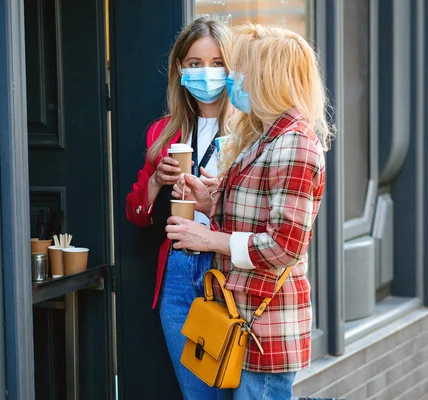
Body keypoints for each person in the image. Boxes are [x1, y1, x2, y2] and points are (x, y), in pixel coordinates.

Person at [167, 24, 331, 400]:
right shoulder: (266, 134)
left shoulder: (294, 142)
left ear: (267, 77)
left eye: (241, 71)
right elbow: (257, 212)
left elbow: (284, 247)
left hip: (266, 327)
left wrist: (209, 238)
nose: (233, 80)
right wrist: (209, 201)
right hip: (244, 318)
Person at [125, 17, 233, 400]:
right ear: (180, 70)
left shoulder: (249, 130)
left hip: (228, 271)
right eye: (195, 63)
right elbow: (135, 213)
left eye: (218, 63)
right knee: (197, 393)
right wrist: (157, 181)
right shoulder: (165, 131)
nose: (207, 73)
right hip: (178, 269)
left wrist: (220, 196)